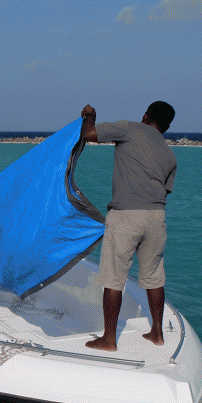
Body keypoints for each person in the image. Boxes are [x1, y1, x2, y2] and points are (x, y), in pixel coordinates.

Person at [82, 101, 177, 349]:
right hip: (156, 218)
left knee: (114, 278)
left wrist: (90, 116)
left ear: (145, 116)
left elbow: (88, 135)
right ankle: (157, 333)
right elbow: (163, 192)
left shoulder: (129, 128)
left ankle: (109, 339)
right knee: (155, 277)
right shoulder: (169, 154)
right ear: (166, 126)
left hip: (125, 215)